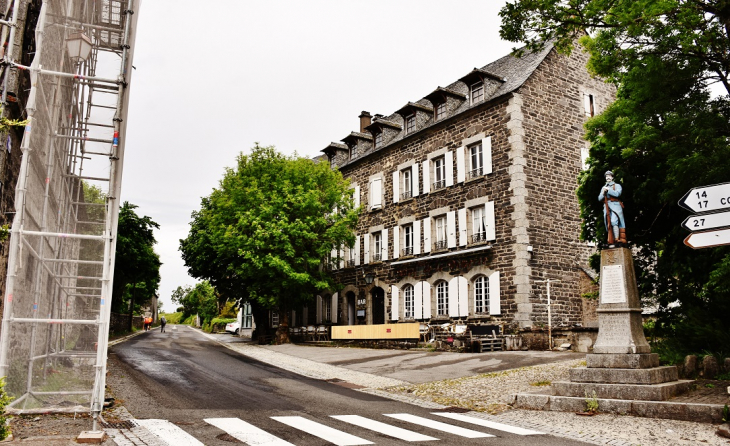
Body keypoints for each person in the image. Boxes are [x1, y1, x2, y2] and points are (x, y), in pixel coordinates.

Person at [598, 170, 626, 245]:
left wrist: (609, 190)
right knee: (609, 224)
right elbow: (599, 198)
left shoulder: (617, 186)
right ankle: (612, 240)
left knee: (614, 221)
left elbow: (617, 194)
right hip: (607, 207)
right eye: (606, 176)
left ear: (612, 177)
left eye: (609, 176)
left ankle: (617, 239)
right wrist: (604, 193)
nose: (608, 178)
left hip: (615, 206)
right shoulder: (603, 187)